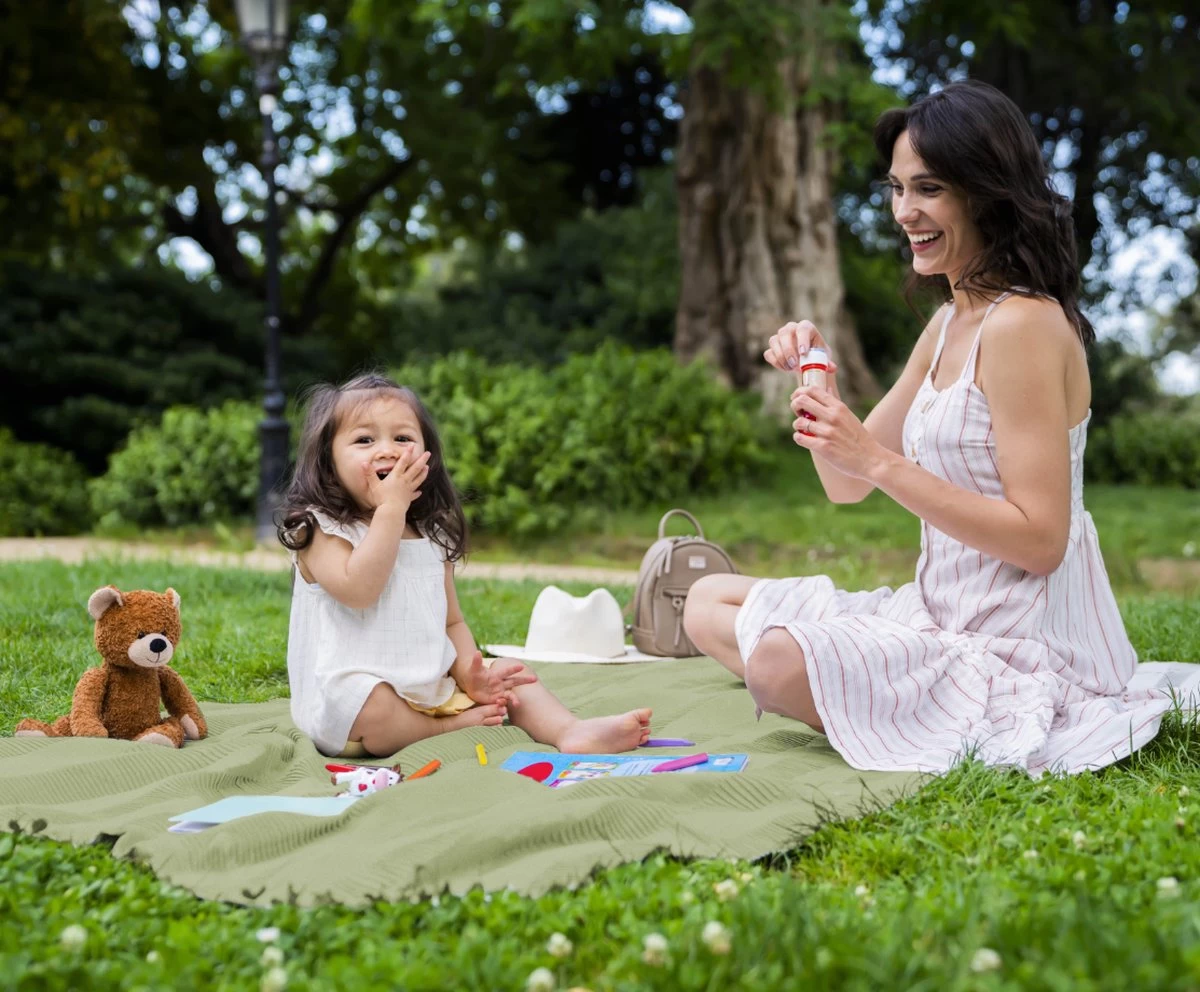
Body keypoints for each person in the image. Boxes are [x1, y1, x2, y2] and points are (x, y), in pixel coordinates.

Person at [682, 79, 1171, 776]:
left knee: (776, 664)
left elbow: (1040, 541)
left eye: (929, 189)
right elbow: (844, 486)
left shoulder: (1024, 324)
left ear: (986, 192)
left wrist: (882, 465)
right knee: (705, 602)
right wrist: (817, 374)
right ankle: (863, 688)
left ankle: (863, 692)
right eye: (896, 188)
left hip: (1020, 645)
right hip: (936, 615)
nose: (904, 211)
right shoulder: (948, 324)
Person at [278, 373, 652, 758]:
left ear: (427, 456)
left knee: (509, 672)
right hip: (352, 707)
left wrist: (470, 677)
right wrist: (391, 508)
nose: (387, 450)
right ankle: (446, 727)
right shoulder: (320, 529)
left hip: (427, 686)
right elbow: (359, 591)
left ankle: (569, 730)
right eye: (364, 440)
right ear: (329, 460)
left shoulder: (428, 534)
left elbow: (451, 623)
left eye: (403, 438)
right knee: (367, 702)